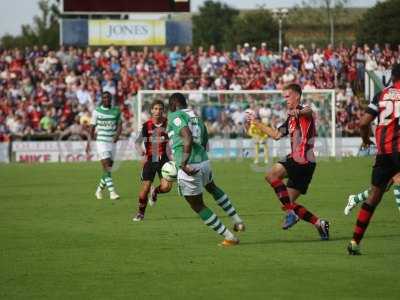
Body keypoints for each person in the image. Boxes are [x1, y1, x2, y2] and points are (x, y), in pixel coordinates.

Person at [248, 83, 330, 240]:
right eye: (284, 97)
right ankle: (320, 223)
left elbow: (308, 111)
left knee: (271, 176)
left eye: (288, 96)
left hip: (301, 158)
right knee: (288, 202)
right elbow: (276, 135)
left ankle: (291, 215)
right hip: (305, 162)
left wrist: (298, 111)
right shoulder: (290, 119)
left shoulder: (303, 112)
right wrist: (256, 122)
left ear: (297, 96)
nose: (285, 100)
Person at [167, 93, 245, 246]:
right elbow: (204, 139)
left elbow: (187, 136)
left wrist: (183, 163)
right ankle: (238, 221)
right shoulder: (195, 116)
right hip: (203, 160)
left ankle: (230, 237)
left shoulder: (175, 115)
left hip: (189, 165)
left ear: (174, 104)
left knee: (197, 205)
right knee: (212, 187)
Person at [347, 63, 400, 255]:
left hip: (384, 153)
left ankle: (354, 241)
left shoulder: (382, 95)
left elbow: (363, 123)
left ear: (391, 77)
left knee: (373, 197)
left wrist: (365, 140)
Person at [133, 100, 172, 221]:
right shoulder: (147, 126)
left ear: (163, 111)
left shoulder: (168, 124)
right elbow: (138, 142)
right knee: (144, 189)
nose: (158, 111)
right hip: (150, 159)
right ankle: (140, 213)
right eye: (155, 108)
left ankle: (155, 191)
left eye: (160, 109)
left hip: (164, 160)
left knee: (167, 187)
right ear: (151, 110)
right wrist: (140, 151)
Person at [86, 91, 122, 200]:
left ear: (111, 99)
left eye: (108, 97)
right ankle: (112, 192)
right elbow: (92, 128)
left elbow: (120, 125)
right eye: (104, 98)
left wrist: (117, 135)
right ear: (102, 99)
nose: (106, 99)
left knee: (108, 169)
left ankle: (98, 191)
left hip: (112, 142)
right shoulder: (96, 112)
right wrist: (88, 143)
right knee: (106, 166)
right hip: (101, 142)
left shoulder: (116, 111)